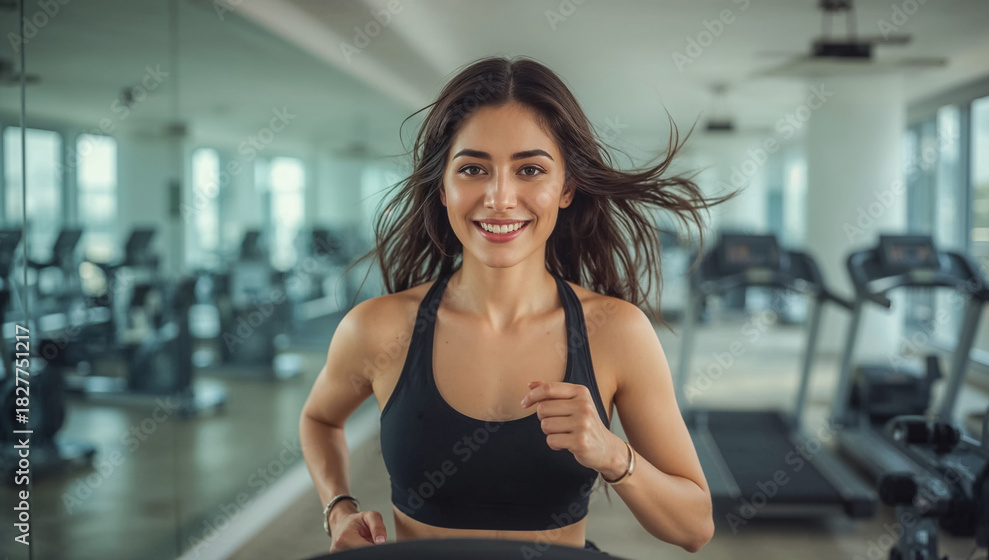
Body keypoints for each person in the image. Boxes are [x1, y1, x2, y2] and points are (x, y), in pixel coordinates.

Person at [299, 55, 733, 555]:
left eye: (530, 170)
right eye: (473, 169)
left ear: (566, 188)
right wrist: (339, 507)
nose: (500, 197)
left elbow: (694, 528)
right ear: (443, 187)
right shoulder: (377, 328)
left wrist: (614, 455)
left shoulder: (617, 332)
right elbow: (319, 419)